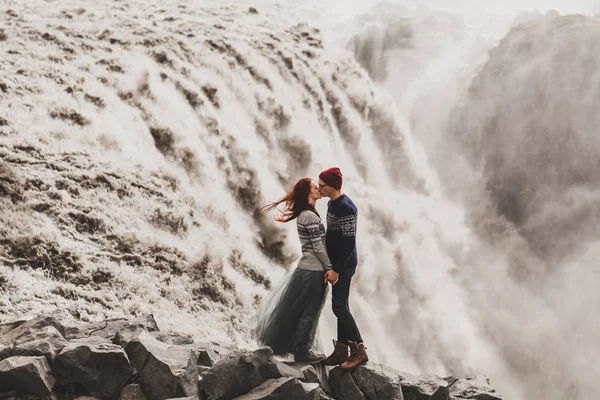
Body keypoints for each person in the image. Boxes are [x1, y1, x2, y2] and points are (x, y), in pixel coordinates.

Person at [252, 178, 333, 363]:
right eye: (315, 187)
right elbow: (318, 247)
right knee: (309, 311)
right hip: (313, 270)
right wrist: (329, 268)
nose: (318, 189)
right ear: (307, 194)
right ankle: (302, 351)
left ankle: (301, 348)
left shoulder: (308, 214)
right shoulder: (309, 216)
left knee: (304, 310)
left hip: (309, 269)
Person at [318, 167, 369, 371]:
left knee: (339, 307)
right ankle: (341, 351)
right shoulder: (332, 202)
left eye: (322, 186)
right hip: (336, 262)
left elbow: (348, 244)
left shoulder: (346, 208)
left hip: (345, 265)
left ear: (332, 187)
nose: (318, 188)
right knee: (340, 305)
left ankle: (359, 351)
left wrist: (337, 270)